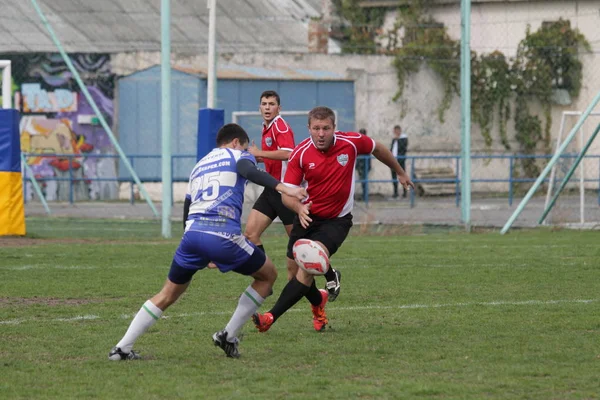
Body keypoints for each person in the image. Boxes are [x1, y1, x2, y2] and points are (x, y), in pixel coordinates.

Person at [108, 123, 306, 360]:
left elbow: (187, 205)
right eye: (245, 146)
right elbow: (248, 169)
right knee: (268, 276)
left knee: (167, 294)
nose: (247, 151)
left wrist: (194, 244)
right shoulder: (239, 155)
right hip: (222, 234)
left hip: (191, 236)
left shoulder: (199, 165)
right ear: (235, 142)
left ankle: (122, 348)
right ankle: (228, 336)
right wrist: (284, 188)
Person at [252, 106, 414, 333]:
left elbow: (378, 148)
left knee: (307, 268)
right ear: (308, 128)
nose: (321, 133)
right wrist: (298, 207)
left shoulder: (351, 143)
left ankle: (269, 317)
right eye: (316, 128)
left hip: (336, 221)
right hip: (307, 217)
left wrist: (399, 171)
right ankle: (319, 301)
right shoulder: (300, 153)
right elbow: (288, 195)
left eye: (326, 128)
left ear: (334, 128)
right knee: (293, 272)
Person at [245, 90, 343, 301]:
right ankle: (264, 276)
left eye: (272, 104)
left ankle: (328, 278)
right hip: (271, 190)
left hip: (285, 193)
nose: (268, 107)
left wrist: (259, 153)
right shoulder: (267, 128)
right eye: (264, 104)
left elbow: (289, 152)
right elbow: (277, 158)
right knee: (251, 234)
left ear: (279, 108)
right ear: (259, 108)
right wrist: (256, 160)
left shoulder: (280, 125)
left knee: (301, 252)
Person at [390, 125, 409, 198]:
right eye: (394, 131)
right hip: (393, 160)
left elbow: (403, 148)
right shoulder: (394, 139)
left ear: (399, 131)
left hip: (400, 160)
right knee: (393, 177)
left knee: (403, 176)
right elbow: (392, 148)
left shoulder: (404, 138)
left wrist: (398, 139)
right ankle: (395, 192)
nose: (395, 132)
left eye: (396, 131)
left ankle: (405, 193)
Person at [355, 128, 372, 202]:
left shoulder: (367, 142)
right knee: (362, 181)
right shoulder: (358, 142)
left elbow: (367, 154)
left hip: (365, 164)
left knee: (364, 181)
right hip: (360, 164)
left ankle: (365, 196)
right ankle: (364, 196)